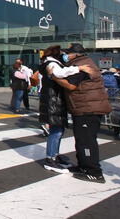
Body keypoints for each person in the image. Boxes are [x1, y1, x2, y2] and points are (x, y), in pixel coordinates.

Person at [53, 43, 111, 183]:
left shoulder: (83, 66)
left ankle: (94, 172)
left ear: (76, 54)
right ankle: (83, 167)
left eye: (68, 53)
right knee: (82, 140)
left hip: (87, 109)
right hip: (85, 107)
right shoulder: (82, 63)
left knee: (86, 141)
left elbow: (71, 85)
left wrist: (54, 77)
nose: (65, 55)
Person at [38, 45, 95, 173]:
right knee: (56, 131)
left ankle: (55, 155)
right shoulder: (51, 63)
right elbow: (59, 73)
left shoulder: (52, 62)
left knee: (59, 130)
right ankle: (50, 159)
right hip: (53, 102)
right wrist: (79, 68)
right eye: (64, 53)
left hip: (55, 101)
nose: (66, 55)